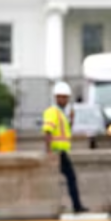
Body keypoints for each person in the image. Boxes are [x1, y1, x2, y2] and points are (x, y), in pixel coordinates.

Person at [42, 81, 86, 214]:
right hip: (57, 152)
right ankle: (77, 206)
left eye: (66, 97)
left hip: (61, 151)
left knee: (69, 178)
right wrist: (49, 151)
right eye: (62, 97)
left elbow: (64, 132)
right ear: (56, 97)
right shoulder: (52, 112)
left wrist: (71, 121)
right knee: (71, 178)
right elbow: (48, 132)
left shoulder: (61, 113)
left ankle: (76, 205)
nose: (65, 100)